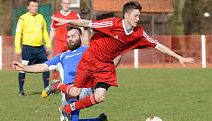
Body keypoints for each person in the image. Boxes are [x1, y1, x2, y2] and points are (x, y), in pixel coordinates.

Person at [47, 1, 195, 116]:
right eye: (135, 15)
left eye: (139, 15)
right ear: (126, 15)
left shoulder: (139, 33)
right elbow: (87, 23)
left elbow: (157, 45)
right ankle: (57, 85)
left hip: (105, 66)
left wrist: (178, 57)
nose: (138, 18)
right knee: (74, 92)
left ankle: (68, 108)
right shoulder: (112, 23)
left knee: (100, 97)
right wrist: (66, 22)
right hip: (90, 59)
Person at [13, 26, 116, 121]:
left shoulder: (89, 50)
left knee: (73, 96)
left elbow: (107, 61)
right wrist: (24, 67)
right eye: (68, 37)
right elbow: (43, 66)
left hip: (84, 89)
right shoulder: (62, 56)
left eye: (73, 36)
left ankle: (57, 86)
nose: (70, 39)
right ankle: (97, 120)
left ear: (80, 36)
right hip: (67, 92)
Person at [14, 0, 52, 96]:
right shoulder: (22, 18)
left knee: (46, 67)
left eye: (36, 6)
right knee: (23, 68)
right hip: (27, 48)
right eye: (32, 6)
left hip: (40, 48)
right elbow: (18, 34)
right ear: (28, 7)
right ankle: (21, 91)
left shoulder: (41, 17)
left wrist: (48, 45)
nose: (34, 8)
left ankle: (46, 89)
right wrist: (17, 48)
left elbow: (45, 33)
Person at [50, 0, 81, 82]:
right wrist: (49, 43)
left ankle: (72, 81)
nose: (66, 5)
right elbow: (52, 30)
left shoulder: (75, 15)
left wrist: (81, 39)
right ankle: (54, 82)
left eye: (68, 3)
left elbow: (81, 28)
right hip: (59, 43)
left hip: (71, 43)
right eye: (65, 3)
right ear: (61, 4)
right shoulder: (56, 16)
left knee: (72, 62)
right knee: (57, 62)